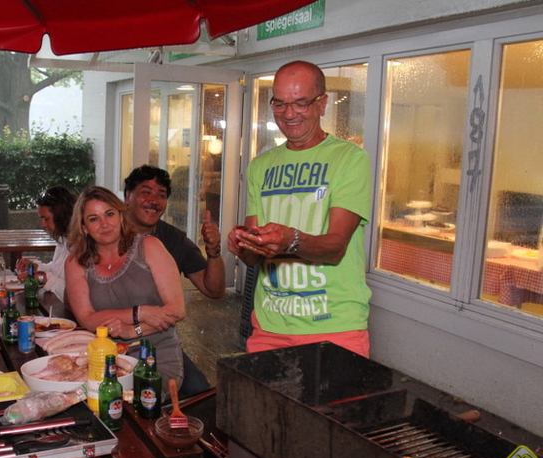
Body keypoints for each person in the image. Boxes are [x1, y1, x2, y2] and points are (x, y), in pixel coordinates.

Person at [227, 60, 372, 357]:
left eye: (301, 103)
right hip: (270, 325)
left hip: (335, 326)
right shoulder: (260, 166)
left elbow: (335, 248)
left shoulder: (350, 159)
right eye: (280, 103)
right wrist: (243, 245)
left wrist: (290, 240)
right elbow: (254, 258)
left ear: (322, 104)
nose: (289, 113)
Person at [65, 186, 186, 392]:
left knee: (136, 401)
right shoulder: (76, 262)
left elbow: (177, 310)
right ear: (84, 227)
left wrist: (132, 330)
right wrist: (141, 313)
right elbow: (87, 318)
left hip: (155, 357)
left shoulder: (149, 246)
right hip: (104, 359)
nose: (104, 224)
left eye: (109, 214)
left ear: (121, 216)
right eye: (93, 219)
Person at [124, 164, 223, 394]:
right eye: (146, 192)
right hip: (108, 336)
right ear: (128, 196)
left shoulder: (173, 240)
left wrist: (213, 250)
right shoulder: (108, 233)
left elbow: (214, 290)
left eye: (161, 195)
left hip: (156, 339)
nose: (154, 201)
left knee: (199, 391)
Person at [16, 186, 77, 302]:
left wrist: (42, 278)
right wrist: (36, 267)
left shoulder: (82, 246)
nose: (43, 225)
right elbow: (55, 269)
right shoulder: (63, 240)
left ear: (61, 216)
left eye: (46, 219)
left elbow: (74, 293)